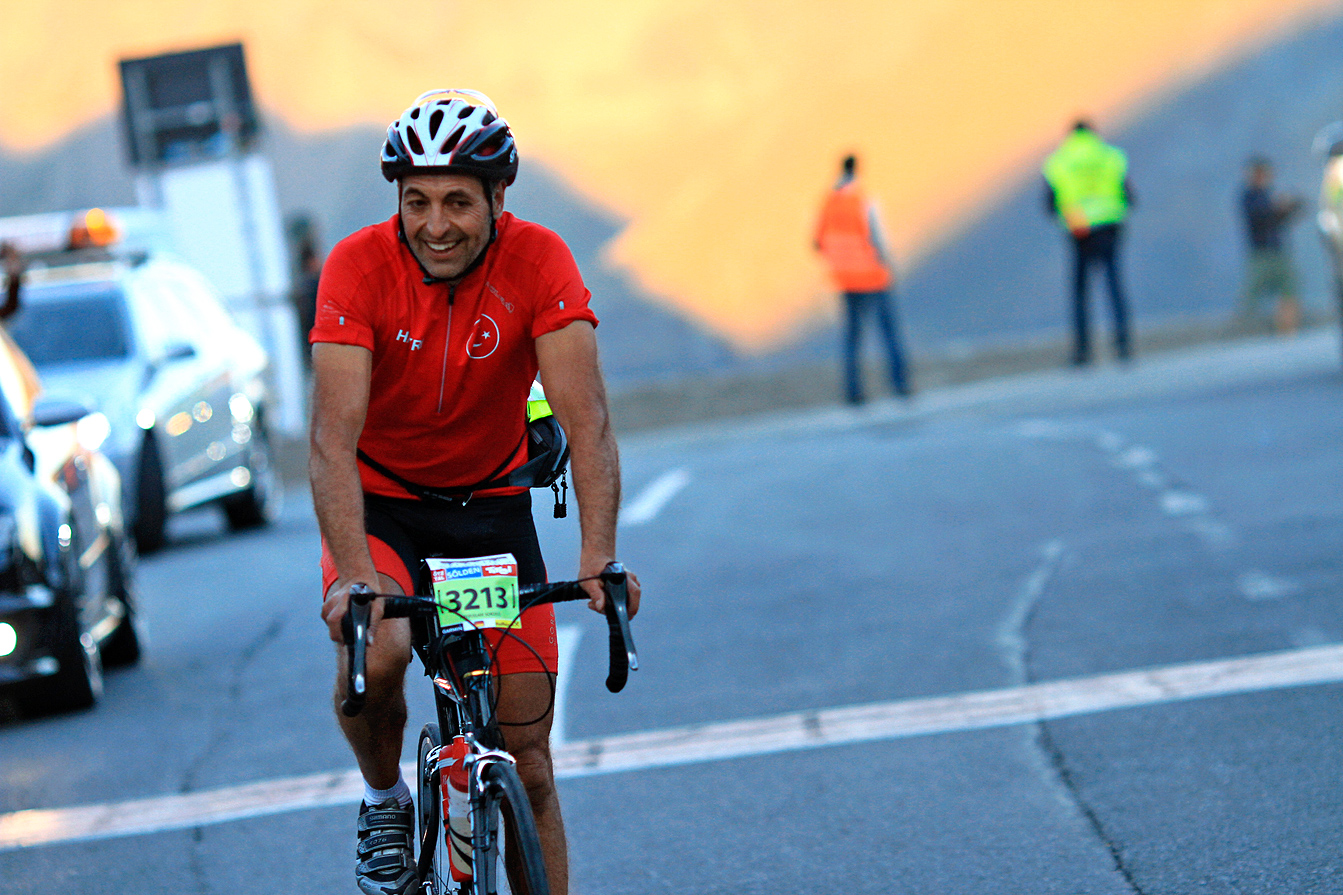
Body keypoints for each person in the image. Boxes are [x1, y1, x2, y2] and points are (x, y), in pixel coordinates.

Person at [309, 88, 640, 895]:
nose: (434, 223)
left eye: (458, 200)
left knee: (528, 764)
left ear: (499, 197)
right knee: (379, 648)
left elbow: (586, 420)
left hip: (492, 511)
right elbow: (329, 439)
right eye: (415, 201)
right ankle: (384, 798)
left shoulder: (540, 261)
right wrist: (354, 573)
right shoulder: (357, 267)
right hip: (383, 506)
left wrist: (597, 556)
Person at [813, 154, 910, 404]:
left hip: (846, 281)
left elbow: (817, 242)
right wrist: (887, 264)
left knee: (852, 338)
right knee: (888, 333)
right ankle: (900, 385)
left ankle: (853, 392)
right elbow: (877, 239)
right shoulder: (862, 202)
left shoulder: (827, 205)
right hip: (872, 277)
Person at [1042, 120, 1135, 365]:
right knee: (1114, 286)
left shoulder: (1059, 162)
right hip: (1109, 228)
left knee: (1081, 292)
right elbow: (1128, 195)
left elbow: (1050, 204)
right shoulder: (1110, 156)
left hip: (1079, 231)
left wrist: (1074, 217)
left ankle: (1083, 351)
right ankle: (1123, 345)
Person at [1240, 156, 1303, 335]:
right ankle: (1245, 330)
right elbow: (1260, 216)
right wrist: (1279, 206)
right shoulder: (1248, 196)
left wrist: (1289, 209)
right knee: (1251, 293)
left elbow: (1278, 220)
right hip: (1259, 254)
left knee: (1289, 289)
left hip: (1278, 251)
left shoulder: (1269, 195)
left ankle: (1287, 330)